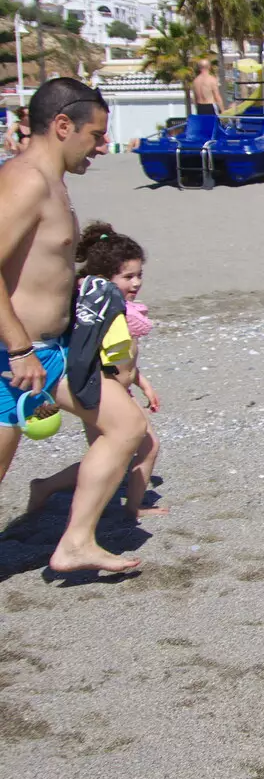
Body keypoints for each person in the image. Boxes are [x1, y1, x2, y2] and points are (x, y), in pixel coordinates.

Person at [0, 78, 146, 573]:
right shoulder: (26, 179)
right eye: (97, 135)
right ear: (62, 125)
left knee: (125, 426)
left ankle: (76, 542)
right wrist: (19, 347)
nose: (103, 146)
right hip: (16, 357)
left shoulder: (53, 181)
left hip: (52, 351)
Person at [27, 223, 166, 522]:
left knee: (139, 450)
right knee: (118, 454)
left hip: (122, 391)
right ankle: (46, 486)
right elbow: (98, 357)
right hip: (100, 391)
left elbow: (127, 358)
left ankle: (132, 507)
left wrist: (143, 383)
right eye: (128, 276)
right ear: (103, 279)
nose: (136, 282)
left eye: (139, 275)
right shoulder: (97, 312)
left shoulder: (121, 310)